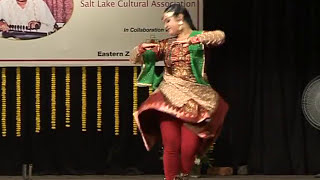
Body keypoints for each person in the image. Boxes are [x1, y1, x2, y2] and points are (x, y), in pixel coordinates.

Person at [130, 4, 229, 180]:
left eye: (168, 21)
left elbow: (220, 36)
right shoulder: (167, 44)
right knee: (170, 145)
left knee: (189, 148)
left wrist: (196, 40)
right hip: (168, 96)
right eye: (164, 22)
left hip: (195, 100)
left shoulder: (200, 38)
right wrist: (140, 49)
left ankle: (183, 175)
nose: (165, 26)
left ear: (181, 18)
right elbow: (134, 59)